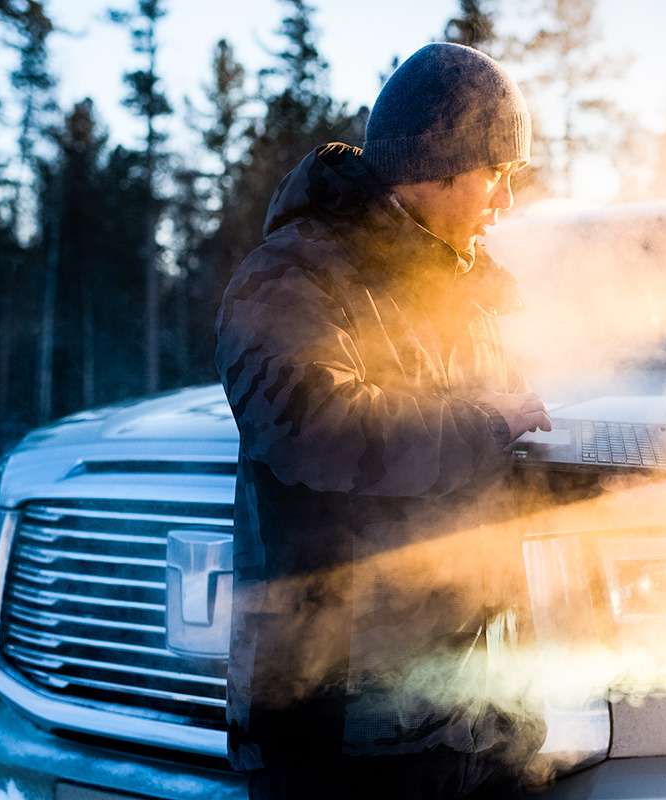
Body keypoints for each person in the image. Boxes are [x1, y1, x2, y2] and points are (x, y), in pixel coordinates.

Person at [214, 43, 551, 799]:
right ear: (435, 167)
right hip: (348, 732)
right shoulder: (291, 275)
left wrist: (600, 475)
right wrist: (484, 425)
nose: (505, 203)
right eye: (495, 175)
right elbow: (316, 428)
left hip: (480, 708)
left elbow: (483, 459)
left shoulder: (460, 290)